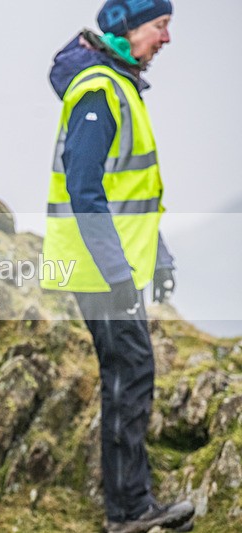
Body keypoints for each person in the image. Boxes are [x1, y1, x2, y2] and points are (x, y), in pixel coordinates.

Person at [41, 1, 194, 532]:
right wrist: (118, 272)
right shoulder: (100, 90)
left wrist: (160, 253)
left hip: (113, 265)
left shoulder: (119, 85)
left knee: (129, 373)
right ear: (127, 32)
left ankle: (131, 504)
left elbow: (135, 189)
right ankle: (128, 510)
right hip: (99, 269)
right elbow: (85, 191)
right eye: (160, 27)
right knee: (130, 373)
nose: (166, 39)